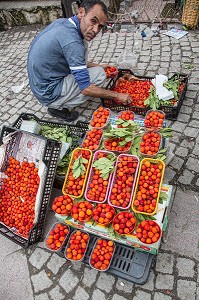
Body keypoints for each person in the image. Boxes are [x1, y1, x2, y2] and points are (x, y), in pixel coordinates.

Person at [27, 0, 132, 122]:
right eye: (93, 21)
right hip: (48, 92)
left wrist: (97, 65)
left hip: (41, 83)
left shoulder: (63, 23)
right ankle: (58, 107)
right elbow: (85, 88)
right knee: (99, 74)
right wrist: (118, 95)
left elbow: (73, 58)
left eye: (100, 26)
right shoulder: (73, 42)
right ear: (81, 12)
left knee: (93, 62)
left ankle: (58, 101)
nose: (95, 30)